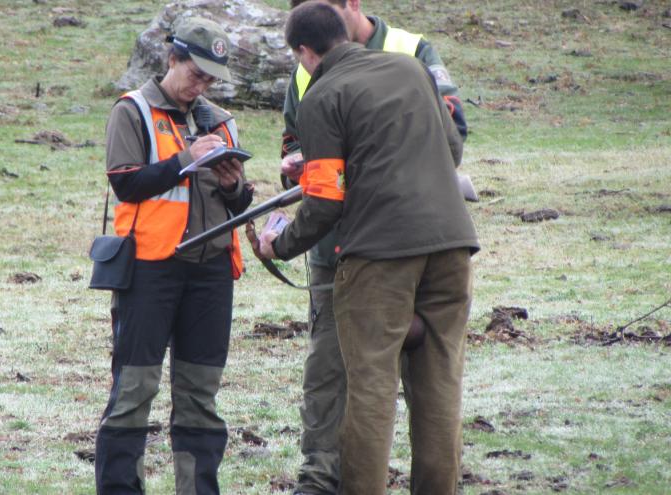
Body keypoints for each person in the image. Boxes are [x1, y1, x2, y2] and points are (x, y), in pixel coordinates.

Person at [254, 3, 479, 494]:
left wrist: (279, 245)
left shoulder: (320, 95)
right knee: (440, 391)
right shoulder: (411, 68)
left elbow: (324, 203)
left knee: (370, 391)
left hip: (379, 256)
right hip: (452, 247)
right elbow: (452, 149)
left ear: (305, 53)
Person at [94, 17, 253, 495]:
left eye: (210, 78)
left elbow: (240, 202)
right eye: (195, 73)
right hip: (149, 271)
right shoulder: (133, 111)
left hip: (211, 276)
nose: (200, 86)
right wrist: (186, 159)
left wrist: (233, 186)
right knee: (133, 392)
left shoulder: (221, 121)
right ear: (172, 58)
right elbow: (126, 183)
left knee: (200, 397)